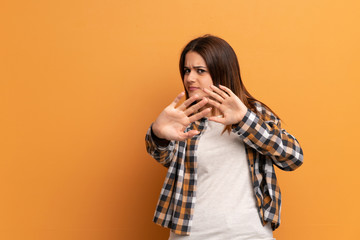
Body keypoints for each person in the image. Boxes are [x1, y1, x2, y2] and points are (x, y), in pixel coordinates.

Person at [145, 34, 304, 240]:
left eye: (200, 71)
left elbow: (293, 157)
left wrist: (244, 120)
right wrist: (158, 136)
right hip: (192, 234)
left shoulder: (254, 113)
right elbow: (170, 161)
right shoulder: (186, 117)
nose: (190, 78)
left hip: (248, 234)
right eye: (187, 70)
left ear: (221, 72)